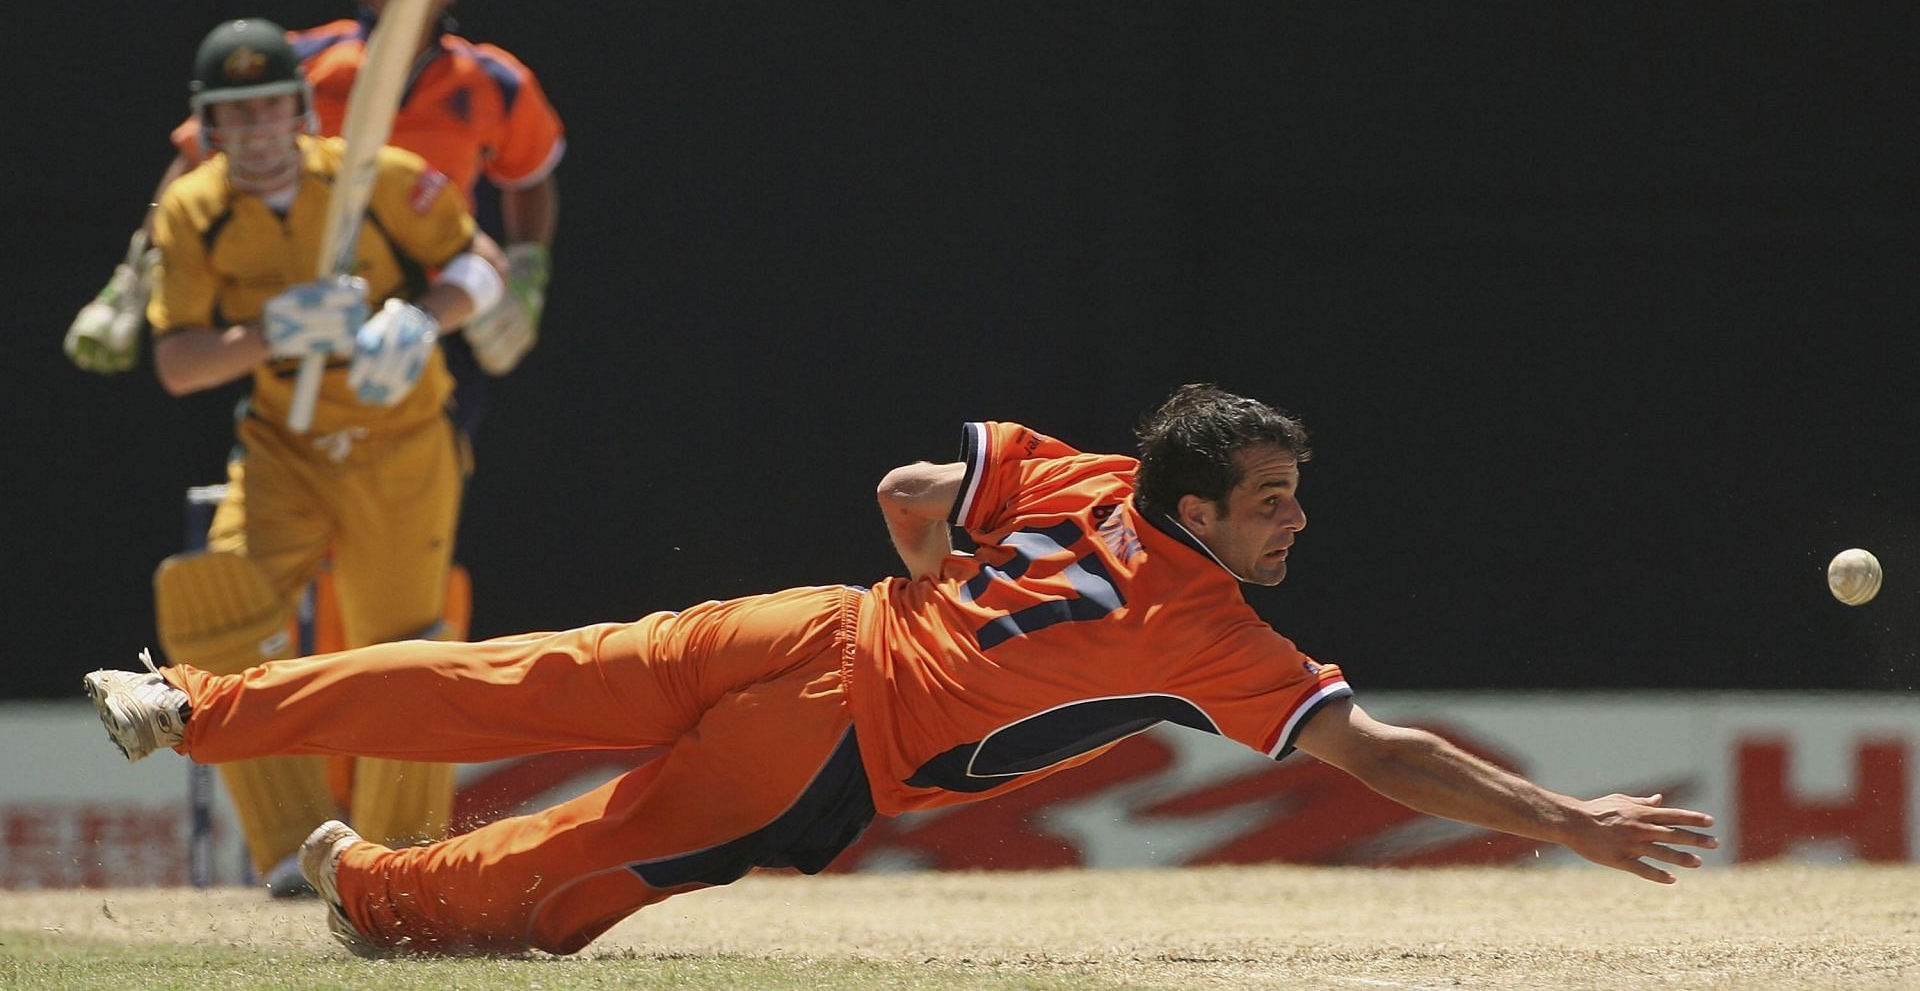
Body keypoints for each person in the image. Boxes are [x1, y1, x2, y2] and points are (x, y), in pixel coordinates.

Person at [85, 384, 1718, 957]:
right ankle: (375, 895)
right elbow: (1378, 755)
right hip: (831, 740)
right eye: (1274, 501)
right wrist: (1561, 817)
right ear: (1203, 506)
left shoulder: (1086, 473)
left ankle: (194, 705)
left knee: (505, 673)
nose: (1298, 521)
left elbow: (912, 497)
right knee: (589, 867)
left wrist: (938, 570)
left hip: (812, 620)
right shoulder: (1209, 628)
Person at [125, 16, 507, 901]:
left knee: (406, 648)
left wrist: (419, 319)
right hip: (285, 446)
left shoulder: (378, 179)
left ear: (302, 109)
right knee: (207, 592)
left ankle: (400, 864)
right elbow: (179, 364)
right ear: (208, 127)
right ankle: (293, 847)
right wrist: (275, 332)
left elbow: (479, 264)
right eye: (236, 115)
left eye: (270, 109)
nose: (257, 133)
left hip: (402, 439)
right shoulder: (194, 208)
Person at [66, 0, 565, 423]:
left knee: (428, 459)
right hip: (310, 296)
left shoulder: (495, 81)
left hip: (431, 306)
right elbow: (198, 154)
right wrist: (135, 275)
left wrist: (526, 274)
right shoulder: (303, 65)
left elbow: (528, 176)